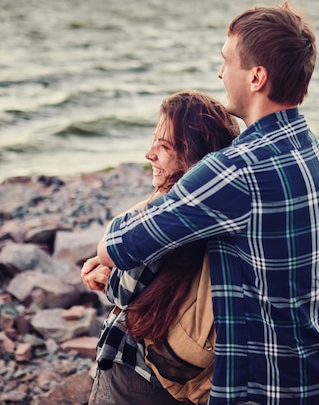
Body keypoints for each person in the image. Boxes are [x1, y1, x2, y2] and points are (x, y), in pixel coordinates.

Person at [97, 2, 319, 404]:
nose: (219, 73)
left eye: (226, 61)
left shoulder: (237, 169)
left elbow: (118, 247)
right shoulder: (311, 150)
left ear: (256, 77)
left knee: (120, 358)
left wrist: (112, 247)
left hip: (269, 387)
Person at [82, 90, 240, 404]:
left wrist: (108, 272)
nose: (149, 154)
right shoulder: (224, 200)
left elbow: (124, 292)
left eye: (164, 146)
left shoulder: (169, 218)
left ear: (192, 155)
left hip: (139, 372)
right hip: (194, 377)